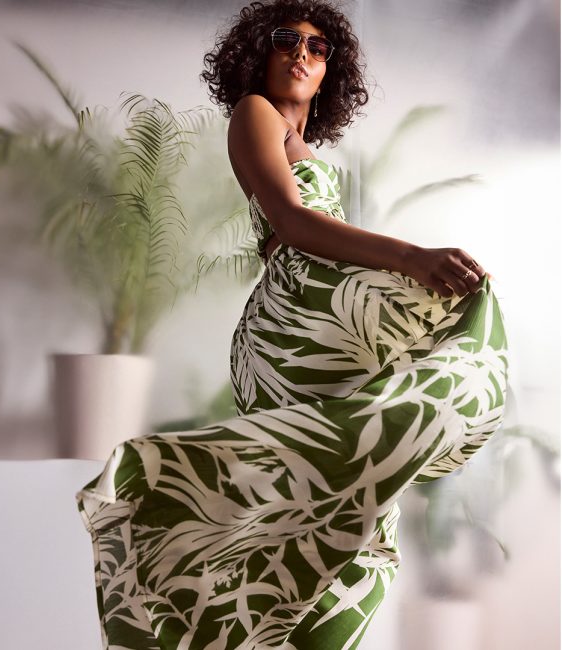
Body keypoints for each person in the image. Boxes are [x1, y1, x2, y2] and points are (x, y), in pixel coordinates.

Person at [75, 1, 509, 648]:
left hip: (318, 317)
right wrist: (413, 258)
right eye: (286, 39)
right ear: (258, 53)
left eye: (318, 46)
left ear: (332, 68)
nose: (302, 53)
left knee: (349, 509)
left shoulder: (304, 142)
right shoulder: (255, 112)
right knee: (329, 497)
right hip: (291, 322)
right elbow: (293, 222)